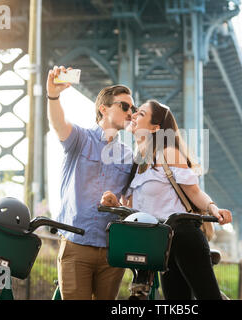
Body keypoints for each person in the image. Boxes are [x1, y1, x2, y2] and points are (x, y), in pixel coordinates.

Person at [101, 99, 232, 300]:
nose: (134, 115)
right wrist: (115, 204)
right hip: (159, 243)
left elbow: (195, 193)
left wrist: (214, 209)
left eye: (141, 114)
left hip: (184, 236)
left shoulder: (168, 153)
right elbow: (137, 212)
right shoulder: (137, 164)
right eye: (135, 112)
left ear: (155, 128)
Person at [46, 65, 136, 300]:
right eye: (124, 106)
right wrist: (53, 95)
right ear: (103, 109)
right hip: (77, 244)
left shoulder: (129, 155)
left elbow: (130, 201)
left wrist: (117, 203)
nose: (130, 112)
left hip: (111, 250)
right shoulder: (80, 139)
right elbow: (58, 124)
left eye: (133, 108)